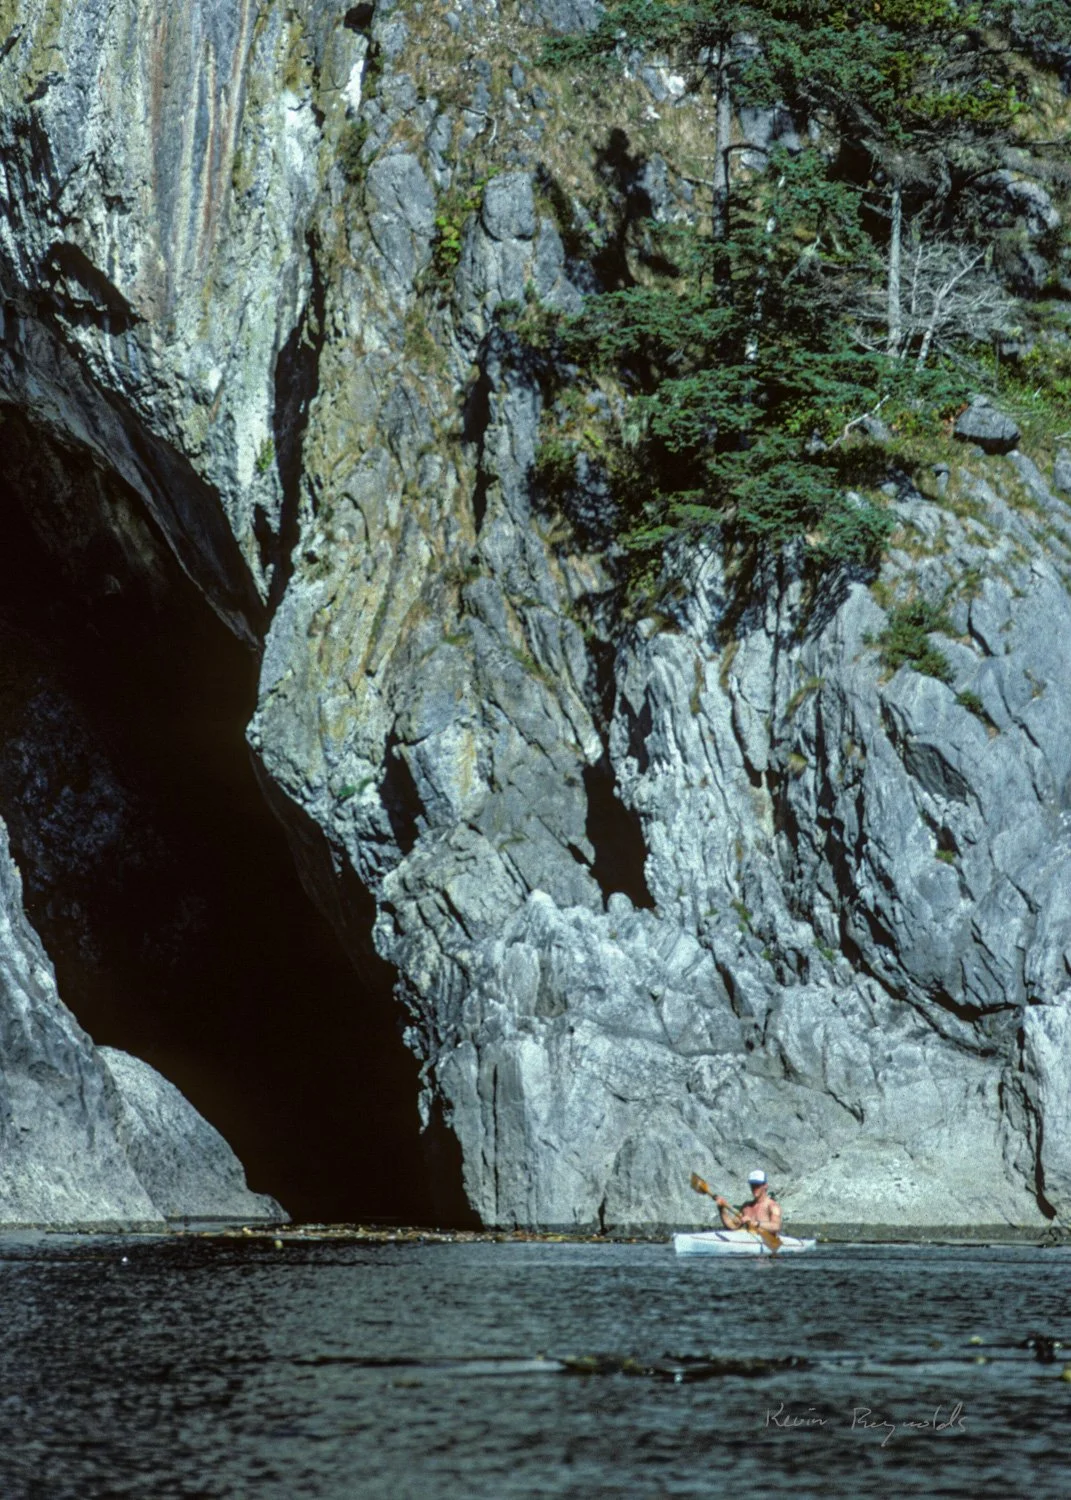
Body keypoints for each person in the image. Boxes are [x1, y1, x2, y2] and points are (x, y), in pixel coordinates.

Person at [715, 1170, 782, 1233]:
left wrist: (756, 1223)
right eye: (752, 1185)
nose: (754, 1188)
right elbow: (732, 1226)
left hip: (766, 1243)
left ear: (765, 1186)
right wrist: (722, 1210)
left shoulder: (772, 1206)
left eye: (757, 1185)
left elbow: (776, 1226)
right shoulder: (746, 1207)